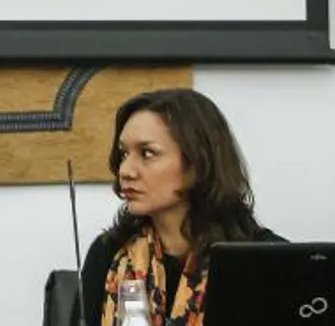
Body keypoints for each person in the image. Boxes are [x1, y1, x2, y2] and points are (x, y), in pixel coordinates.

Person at [79, 87, 282, 326]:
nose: (125, 171)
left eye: (147, 153)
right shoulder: (109, 253)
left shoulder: (267, 260)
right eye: (124, 154)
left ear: (198, 163)